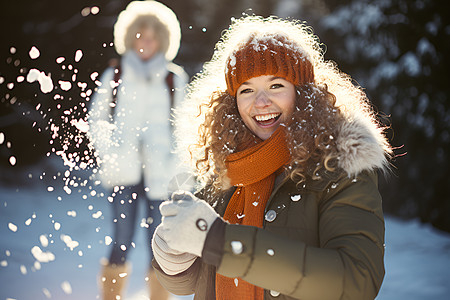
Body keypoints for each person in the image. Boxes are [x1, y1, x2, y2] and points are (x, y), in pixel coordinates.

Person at [151, 15, 393, 300]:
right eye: (247, 90)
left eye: (276, 85)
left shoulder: (339, 166)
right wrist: (173, 261)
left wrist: (222, 242)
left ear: (304, 93)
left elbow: (358, 281)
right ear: (232, 102)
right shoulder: (229, 165)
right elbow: (201, 280)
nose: (261, 102)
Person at [87, 1, 188, 299]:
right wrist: (110, 153)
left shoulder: (174, 78)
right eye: (140, 36)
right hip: (123, 171)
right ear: (130, 38)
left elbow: (184, 127)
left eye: (152, 37)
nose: (145, 43)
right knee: (121, 240)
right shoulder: (115, 75)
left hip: (161, 173)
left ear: (163, 40)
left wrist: (175, 165)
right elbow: (97, 119)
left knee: (159, 244)